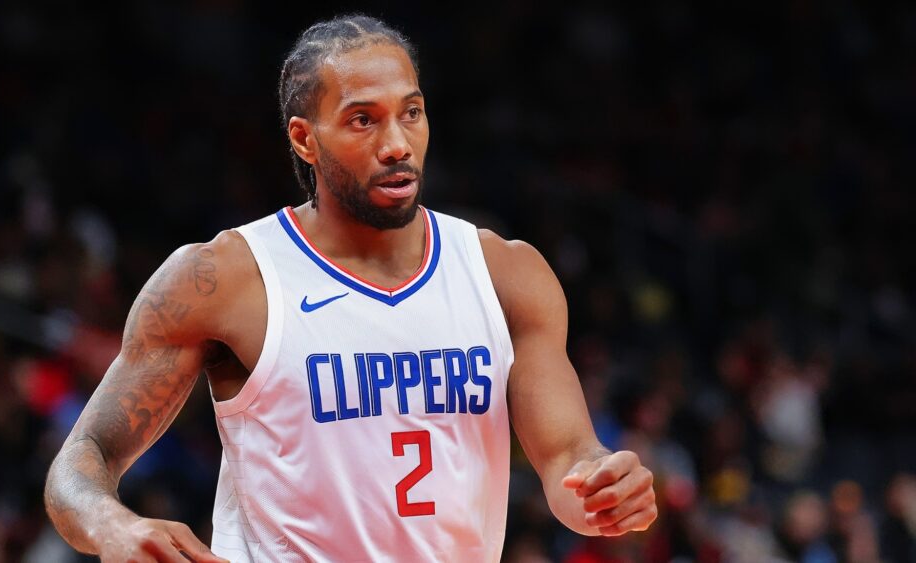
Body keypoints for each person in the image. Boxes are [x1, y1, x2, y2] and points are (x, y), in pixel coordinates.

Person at [44, 14, 657, 562]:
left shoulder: (506, 275)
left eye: (410, 113)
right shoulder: (225, 279)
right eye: (363, 119)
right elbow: (82, 459)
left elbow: (565, 459)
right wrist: (109, 524)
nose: (396, 145)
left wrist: (601, 489)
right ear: (304, 139)